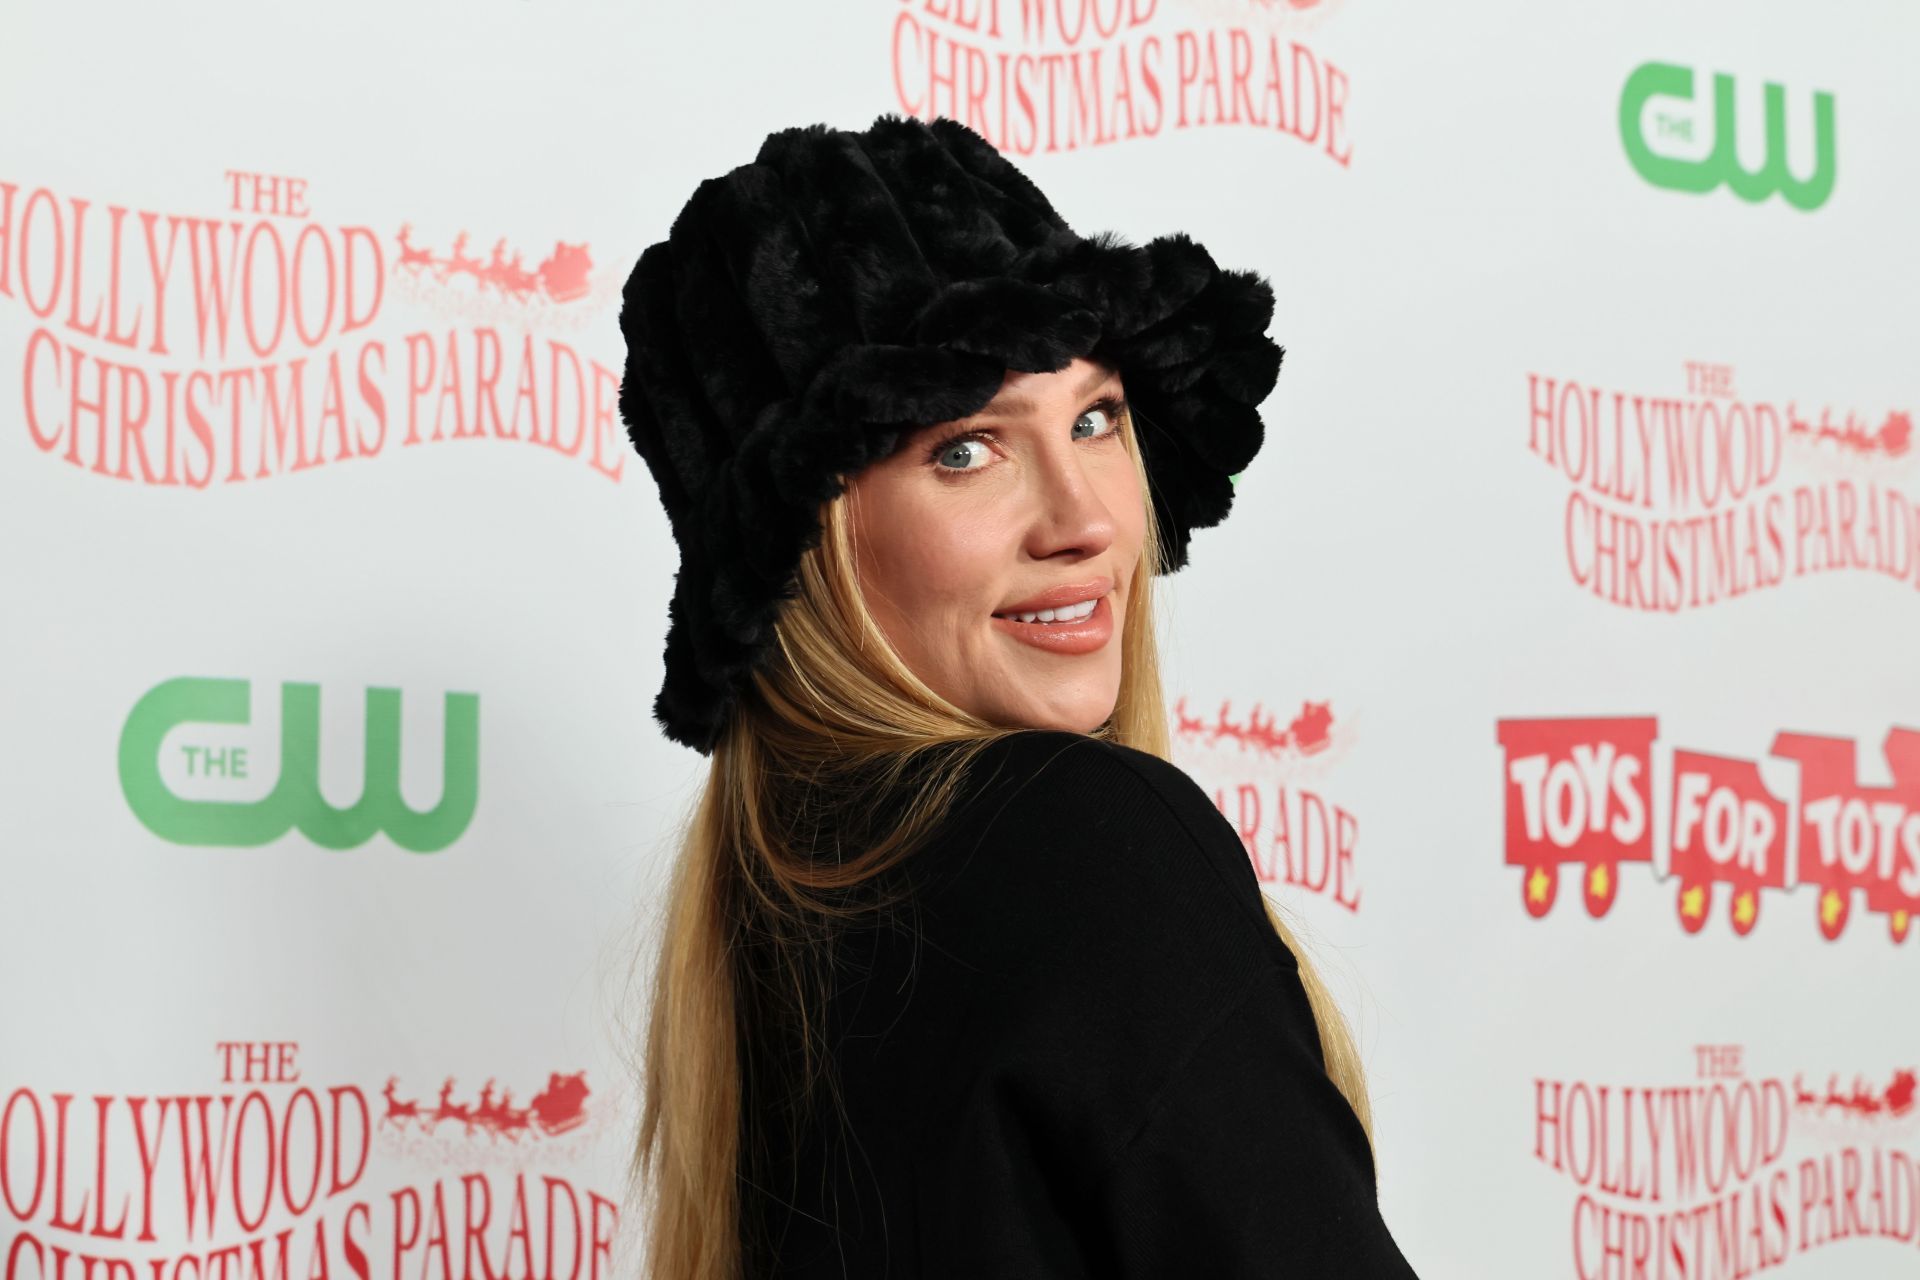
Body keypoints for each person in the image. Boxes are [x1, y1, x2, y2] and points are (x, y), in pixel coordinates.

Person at [615, 111, 1420, 1278]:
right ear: (813, 544)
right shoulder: (1086, 841)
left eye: (1096, 418)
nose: (1086, 518)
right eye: (966, 448)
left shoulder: (773, 927)